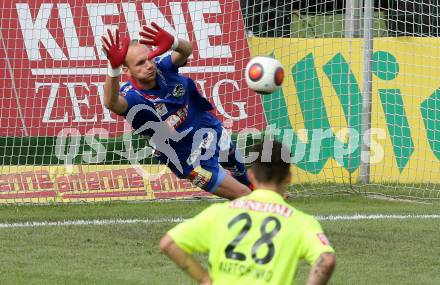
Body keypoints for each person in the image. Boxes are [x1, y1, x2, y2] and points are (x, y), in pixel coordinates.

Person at [101, 24, 252, 200]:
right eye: (141, 63)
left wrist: (174, 42)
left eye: (149, 58)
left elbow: (186, 51)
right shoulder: (133, 99)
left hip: (207, 128)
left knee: (236, 163)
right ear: (126, 70)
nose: (149, 65)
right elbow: (111, 103)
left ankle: (253, 186)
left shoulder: (163, 68)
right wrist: (112, 69)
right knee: (244, 196)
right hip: (187, 159)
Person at [160, 140, 336, 285]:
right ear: (289, 178)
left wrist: (205, 279)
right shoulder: (301, 222)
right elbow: (326, 260)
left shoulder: (219, 213)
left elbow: (169, 243)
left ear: (251, 176)